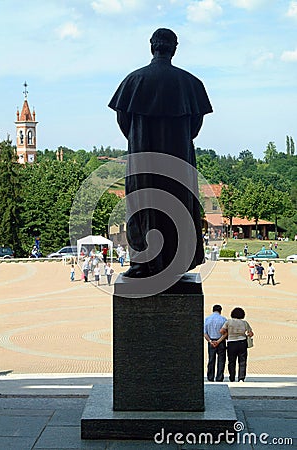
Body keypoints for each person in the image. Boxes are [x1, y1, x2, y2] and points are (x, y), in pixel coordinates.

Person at [109, 28, 212, 278]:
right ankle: (178, 262)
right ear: (174, 49)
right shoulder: (191, 83)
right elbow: (194, 127)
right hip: (179, 159)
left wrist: (138, 141)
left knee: (142, 206)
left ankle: (143, 263)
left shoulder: (134, 81)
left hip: (142, 158)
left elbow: (124, 121)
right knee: (179, 206)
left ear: (151, 46)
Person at [220, 307, 253, 382]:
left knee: (231, 361)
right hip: (242, 342)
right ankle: (241, 377)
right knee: (242, 361)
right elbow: (250, 333)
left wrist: (227, 334)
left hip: (231, 342)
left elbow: (222, 331)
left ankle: (232, 377)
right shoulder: (244, 323)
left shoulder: (229, 322)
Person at [204, 305, 227, 382]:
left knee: (211, 359)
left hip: (211, 341)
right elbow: (225, 333)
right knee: (221, 360)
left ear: (212, 310)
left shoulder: (207, 319)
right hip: (221, 342)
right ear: (220, 310)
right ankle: (219, 377)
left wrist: (210, 341)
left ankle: (210, 377)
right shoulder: (223, 319)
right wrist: (218, 341)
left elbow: (204, 333)